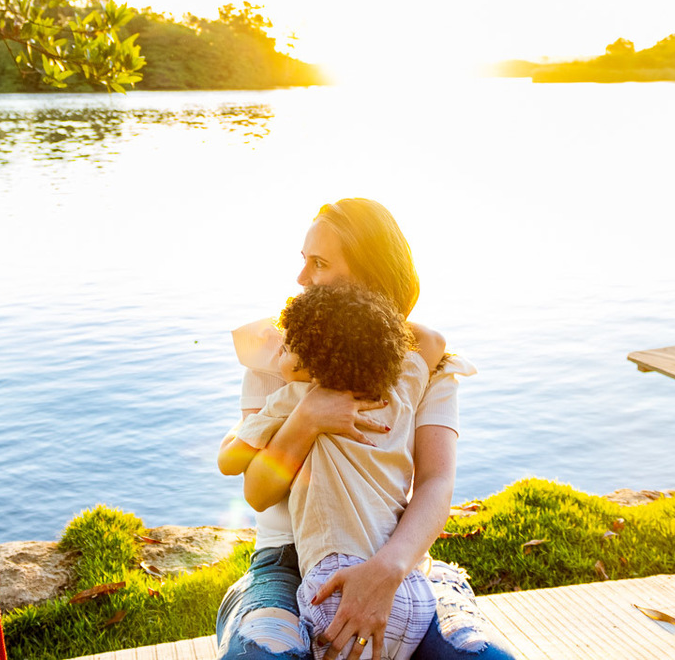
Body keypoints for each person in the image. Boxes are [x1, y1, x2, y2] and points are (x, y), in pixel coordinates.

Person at [216, 198, 515, 660]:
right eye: (303, 262)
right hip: (286, 561)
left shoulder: (427, 366)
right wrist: (309, 415)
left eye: (319, 264)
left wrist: (386, 570)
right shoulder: (282, 356)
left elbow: (437, 480)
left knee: (482, 658)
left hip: (393, 558)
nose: (300, 280)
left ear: (370, 275)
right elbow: (255, 492)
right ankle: (247, 601)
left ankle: (441, 585)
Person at [223, 283, 444, 659]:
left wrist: (251, 429)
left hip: (332, 587)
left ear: (310, 364)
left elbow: (228, 462)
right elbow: (433, 340)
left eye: (288, 347)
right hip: (409, 594)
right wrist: (364, 321)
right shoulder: (398, 390)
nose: (279, 348)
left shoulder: (292, 398)